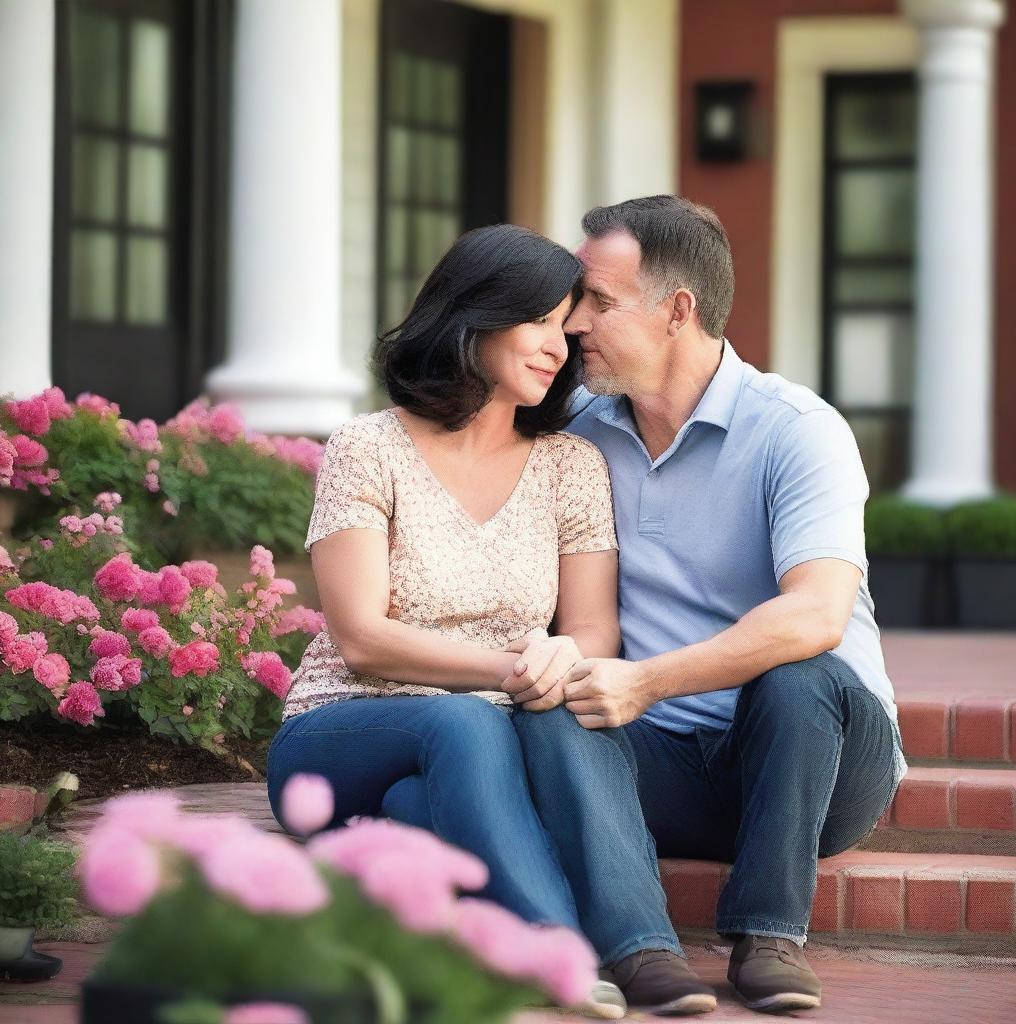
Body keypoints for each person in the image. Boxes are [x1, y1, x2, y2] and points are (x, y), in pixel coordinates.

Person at [266, 224, 717, 1019]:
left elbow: (593, 632)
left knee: (433, 795)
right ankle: (557, 952)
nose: (559, 346)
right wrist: (513, 668)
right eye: (537, 320)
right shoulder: (367, 448)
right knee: (464, 729)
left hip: (485, 741)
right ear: (473, 316)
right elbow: (363, 639)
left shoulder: (570, 466)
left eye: (567, 325)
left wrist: (555, 664)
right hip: (341, 728)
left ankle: (644, 950)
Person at [510, 194, 905, 1014]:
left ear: (677, 311)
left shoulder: (798, 430)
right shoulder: (577, 431)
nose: (573, 322)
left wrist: (645, 680)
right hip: (663, 767)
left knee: (803, 673)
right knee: (552, 703)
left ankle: (768, 936)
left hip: (815, 765)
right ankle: (642, 952)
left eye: (598, 301)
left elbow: (816, 615)